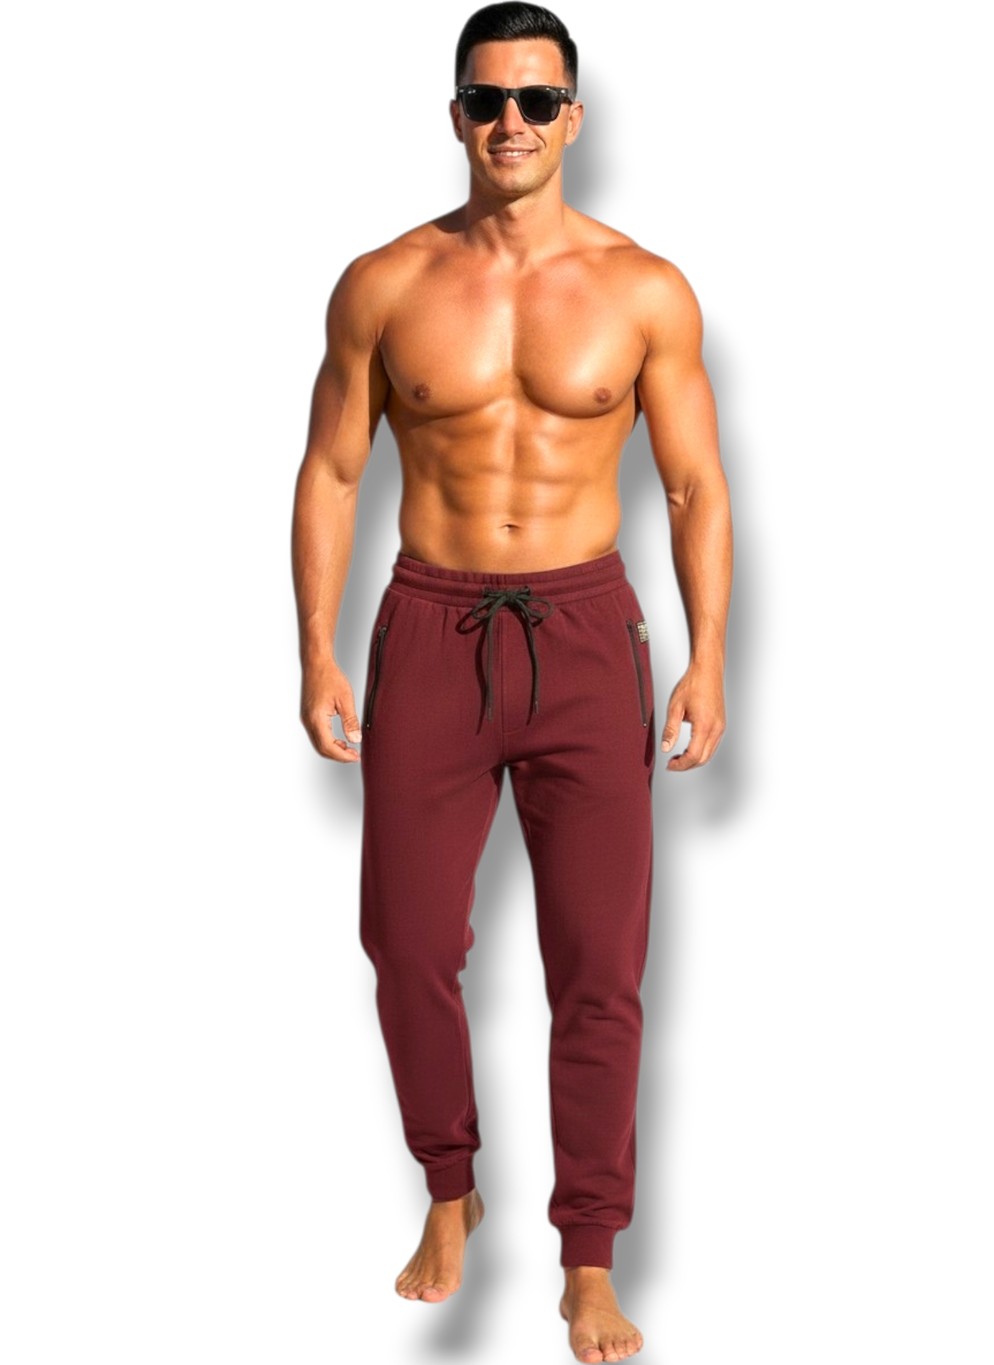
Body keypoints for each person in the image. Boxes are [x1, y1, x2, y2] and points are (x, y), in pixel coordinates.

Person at [291, 4, 732, 1360]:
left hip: (589, 634)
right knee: (408, 942)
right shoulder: (385, 281)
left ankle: (588, 1257)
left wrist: (712, 656)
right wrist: (315, 646)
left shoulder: (646, 289)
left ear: (574, 117)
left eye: (538, 100)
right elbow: (333, 472)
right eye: (488, 99)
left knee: (600, 966)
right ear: (456, 116)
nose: (513, 123)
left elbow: (694, 484)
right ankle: (451, 1187)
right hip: (431, 628)